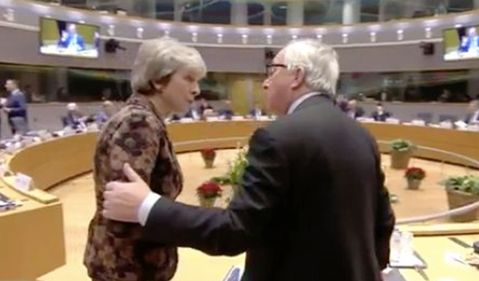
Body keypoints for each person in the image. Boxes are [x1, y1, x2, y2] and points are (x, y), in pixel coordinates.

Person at [102, 39, 395, 281]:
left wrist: (147, 207)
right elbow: (383, 222)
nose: (266, 83)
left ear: (297, 76)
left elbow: (234, 231)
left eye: (273, 71)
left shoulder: (279, 137)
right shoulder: (362, 136)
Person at [84, 36, 206, 281]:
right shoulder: (139, 122)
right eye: (188, 78)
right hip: (129, 268)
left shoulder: (144, 118)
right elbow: (124, 210)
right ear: (159, 80)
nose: (197, 89)